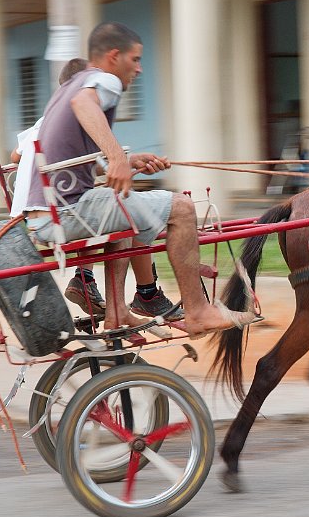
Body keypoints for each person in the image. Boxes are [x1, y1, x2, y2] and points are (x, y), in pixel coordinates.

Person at [24, 22, 255, 336]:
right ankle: (198, 311)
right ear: (114, 56)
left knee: (122, 207)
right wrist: (117, 158)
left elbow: (72, 152)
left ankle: (117, 312)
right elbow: (84, 105)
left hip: (49, 213)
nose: (139, 69)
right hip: (64, 213)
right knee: (183, 208)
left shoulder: (70, 84)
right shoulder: (103, 80)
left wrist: (127, 162)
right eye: (135, 60)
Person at [10, 58, 183, 321]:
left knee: (103, 201)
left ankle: (86, 277)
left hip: (39, 211)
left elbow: (15, 155)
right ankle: (146, 293)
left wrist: (129, 161)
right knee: (125, 208)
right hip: (59, 211)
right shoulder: (77, 113)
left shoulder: (46, 122)